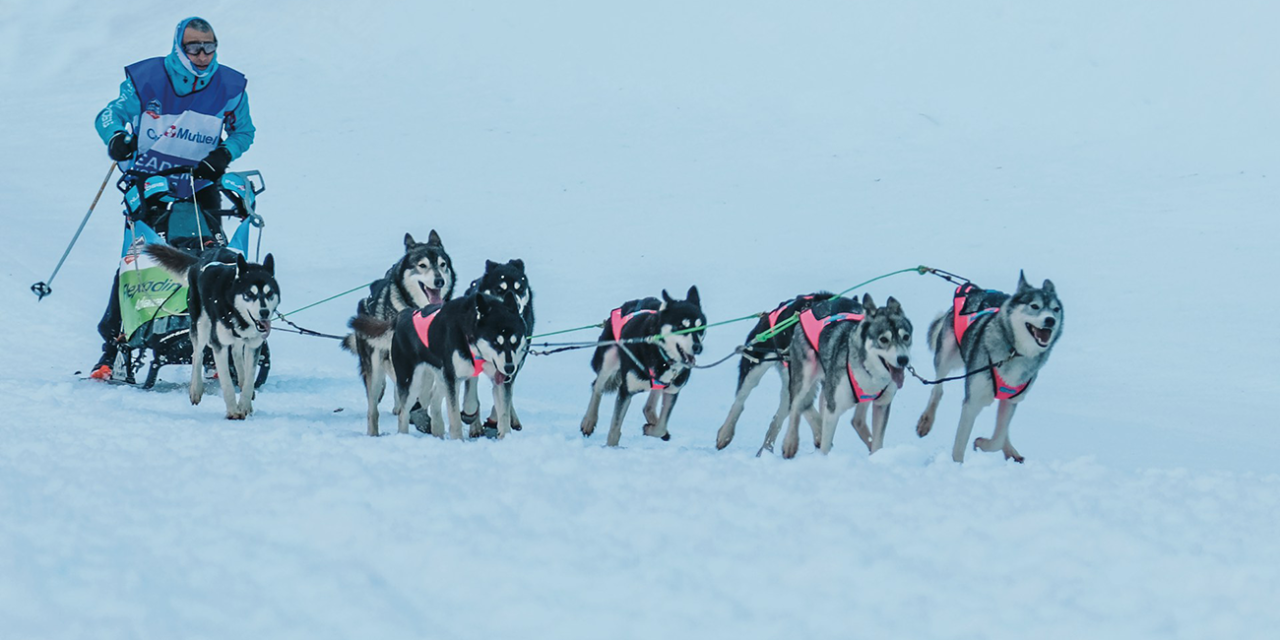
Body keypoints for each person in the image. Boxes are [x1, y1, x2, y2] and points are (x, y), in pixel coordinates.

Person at [90, 16, 256, 379]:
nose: (201, 54)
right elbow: (109, 115)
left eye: (208, 47)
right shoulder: (148, 77)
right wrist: (116, 137)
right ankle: (114, 346)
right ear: (179, 46)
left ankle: (219, 343)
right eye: (193, 47)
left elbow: (244, 131)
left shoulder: (230, 85)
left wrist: (223, 156)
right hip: (149, 181)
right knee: (141, 258)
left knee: (210, 256)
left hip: (201, 182)